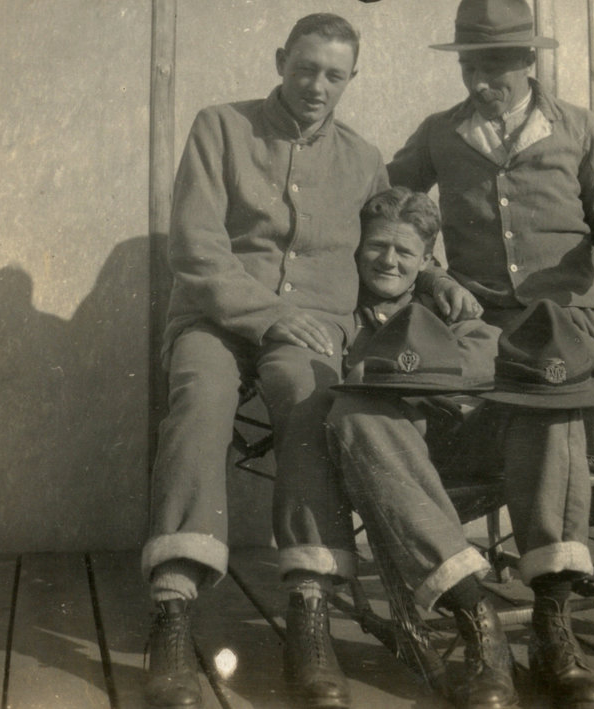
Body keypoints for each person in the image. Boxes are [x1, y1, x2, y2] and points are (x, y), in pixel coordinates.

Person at [387, 0, 594, 609]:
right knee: (511, 421)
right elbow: (389, 207)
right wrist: (426, 275)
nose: (481, 83)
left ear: (528, 61)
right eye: (470, 68)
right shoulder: (439, 133)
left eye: (496, 67)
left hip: (575, 310)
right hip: (488, 319)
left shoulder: (577, 127)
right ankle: (548, 554)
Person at [277, 187, 594, 708]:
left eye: (404, 253)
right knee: (360, 410)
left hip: (460, 441)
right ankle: (477, 620)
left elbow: (487, 352)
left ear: (425, 260)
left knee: (551, 402)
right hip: (390, 461)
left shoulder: (443, 301)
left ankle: (553, 624)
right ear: (354, 248)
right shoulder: (339, 309)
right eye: (375, 248)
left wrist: (430, 360)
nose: (388, 260)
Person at [142, 14, 390, 709]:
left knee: (312, 401)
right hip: (215, 317)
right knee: (200, 399)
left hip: (311, 332)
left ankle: (309, 614)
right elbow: (194, 250)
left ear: (350, 79)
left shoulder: (364, 158)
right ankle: (172, 608)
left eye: (333, 74)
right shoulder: (220, 127)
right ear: (281, 60)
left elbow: (387, 249)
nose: (316, 85)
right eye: (305, 67)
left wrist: (425, 288)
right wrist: (274, 313)